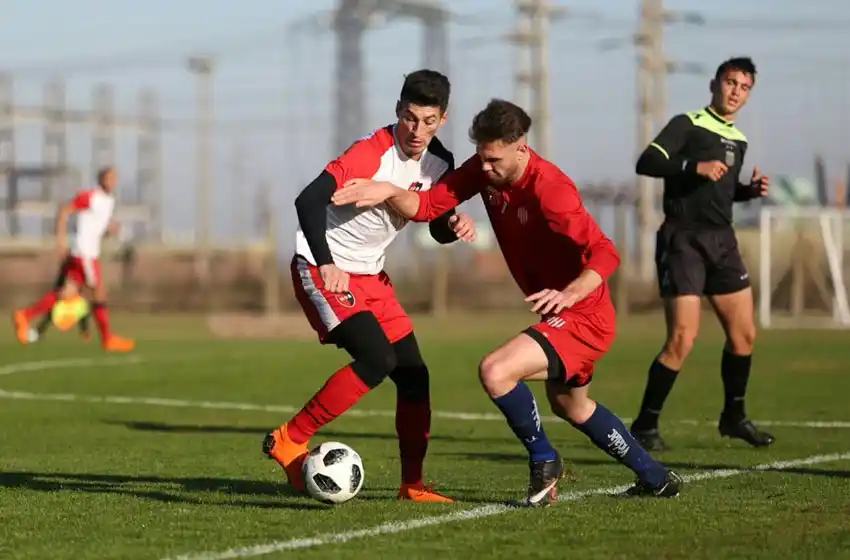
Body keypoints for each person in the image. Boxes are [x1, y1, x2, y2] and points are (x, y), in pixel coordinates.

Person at [331, 99, 682, 506]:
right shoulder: (484, 172)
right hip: (562, 315)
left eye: (494, 159)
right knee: (573, 405)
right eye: (481, 157)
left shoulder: (551, 191)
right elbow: (428, 207)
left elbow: (606, 252)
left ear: (521, 147)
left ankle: (544, 460)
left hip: (584, 316)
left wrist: (569, 293)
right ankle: (655, 477)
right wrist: (388, 190)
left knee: (496, 371)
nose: (484, 167)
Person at [262, 69, 475, 503]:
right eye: (411, 118)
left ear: (443, 120)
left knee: (415, 377)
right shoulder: (370, 152)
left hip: (372, 277)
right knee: (378, 359)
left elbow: (434, 229)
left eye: (429, 121)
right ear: (398, 110)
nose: (417, 130)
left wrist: (454, 225)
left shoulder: (441, 163)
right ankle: (289, 437)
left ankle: (412, 486)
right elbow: (307, 200)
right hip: (324, 268)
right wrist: (326, 263)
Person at [627, 56, 773, 452]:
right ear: (714, 83)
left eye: (744, 87)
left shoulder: (738, 140)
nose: (735, 92)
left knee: (744, 336)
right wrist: (694, 164)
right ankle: (644, 424)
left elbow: (721, 189)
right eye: (731, 82)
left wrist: (748, 191)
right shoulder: (687, 124)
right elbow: (648, 162)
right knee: (682, 338)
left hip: (722, 241)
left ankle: (734, 417)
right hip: (683, 240)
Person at [12, 167, 135, 352]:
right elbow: (64, 210)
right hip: (84, 254)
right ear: (101, 179)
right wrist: (60, 241)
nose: (112, 181)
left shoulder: (109, 201)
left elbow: (100, 224)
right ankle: (107, 339)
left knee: (66, 293)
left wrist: (116, 231)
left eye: (114, 178)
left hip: (88, 253)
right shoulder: (90, 196)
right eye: (108, 177)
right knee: (98, 292)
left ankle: (24, 315)